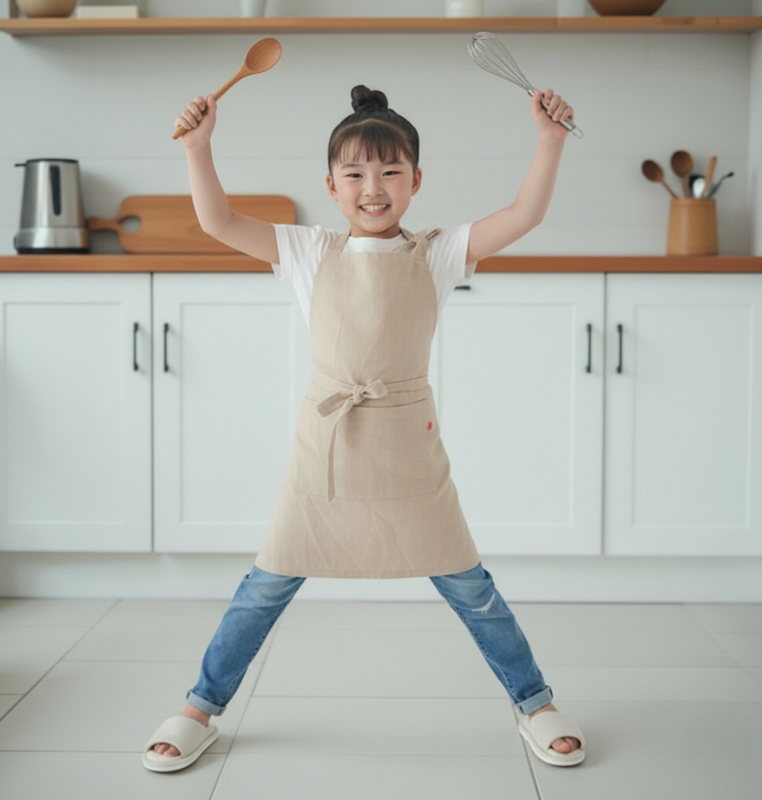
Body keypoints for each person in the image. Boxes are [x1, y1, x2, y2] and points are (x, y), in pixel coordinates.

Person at [143, 81, 585, 773]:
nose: (371, 187)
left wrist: (550, 141)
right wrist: (199, 149)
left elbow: (525, 214)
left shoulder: (437, 253)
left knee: (471, 588)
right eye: (354, 173)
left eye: (389, 172)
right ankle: (201, 707)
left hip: (409, 449)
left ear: (415, 182)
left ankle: (535, 701)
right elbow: (220, 223)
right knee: (265, 587)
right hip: (325, 450)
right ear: (330, 184)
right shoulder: (308, 251)